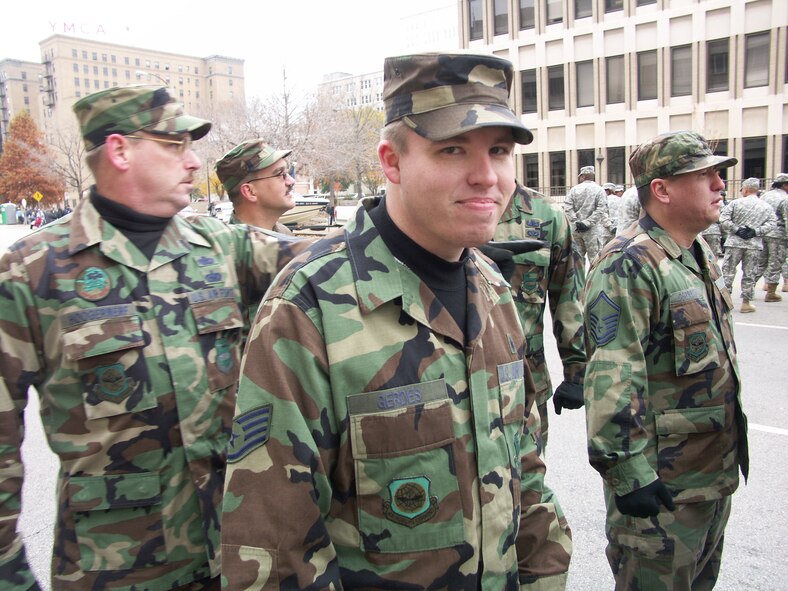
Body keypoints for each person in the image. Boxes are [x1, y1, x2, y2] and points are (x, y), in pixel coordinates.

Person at [221, 51, 572, 590]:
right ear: (392, 162)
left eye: (499, 151)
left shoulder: (493, 288)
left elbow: (524, 475)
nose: (486, 176)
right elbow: (273, 551)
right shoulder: (309, 307)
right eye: (453, 149)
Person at [0, 85, 307, 591]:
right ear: (120, 150)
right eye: (174, 145)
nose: (193, 162)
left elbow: (325, 259)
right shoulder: (31, 271)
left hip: (239, 555)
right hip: (118, 568)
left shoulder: (219, 246)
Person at [583, 130, 749, 591]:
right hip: (661, 486)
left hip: (708, 474)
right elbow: (613, 372)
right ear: (662, 189)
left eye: (718, 174)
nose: (720, 184)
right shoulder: (628, 263)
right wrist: (628, 472)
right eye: (705, 175)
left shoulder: (695, 251)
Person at [494, 182, 586, 444]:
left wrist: (577, 371)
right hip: (452, 393)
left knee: (529, 468)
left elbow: (568, 295)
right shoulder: (436, 208)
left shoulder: (545, 214)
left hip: (525, 385)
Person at [719, 177, 776, 312]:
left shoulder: (735, 203)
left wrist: (736, 229)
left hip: (734, 243)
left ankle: (724, 302)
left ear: (745, 190)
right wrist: (756, 231)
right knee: (750, 274)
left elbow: (723, 219)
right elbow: (772, 224)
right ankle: (746, 303)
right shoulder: (766, 207)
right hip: (753, 244)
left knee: (728, 272)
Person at [215, 139, 295, 235]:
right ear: (249, 191)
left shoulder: (284, 233)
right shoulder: (230, 243)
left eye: (287, 172)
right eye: (280, 174)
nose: (291, 181)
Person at [563, 165, 610, 264]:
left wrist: (576, 221)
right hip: (593, 230)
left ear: (583, 176)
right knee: (595, 261)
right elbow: (601, 209)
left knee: (576, 261)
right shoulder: (599, 190)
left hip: (576, 230)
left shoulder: (573, 190)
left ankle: (579, 275)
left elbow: (567, 207)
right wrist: (587, 222)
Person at [755, 173, 788, 298]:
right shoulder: (785, 198)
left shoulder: (765, 196)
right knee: (776, 263)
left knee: (761, 262)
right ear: (784, 185)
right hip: (778, 235)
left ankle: (748, 288)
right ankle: (771, 293)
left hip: (763, 232)